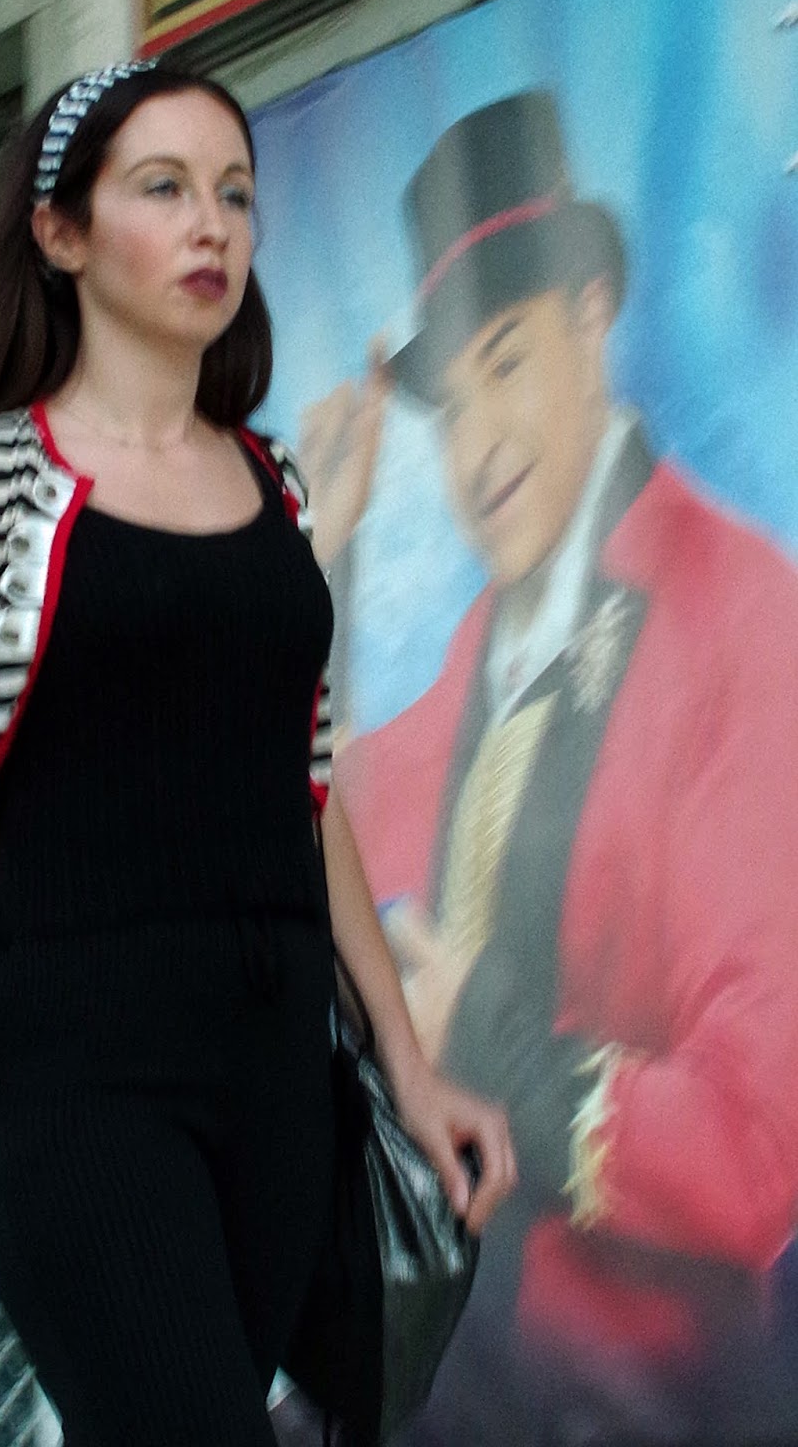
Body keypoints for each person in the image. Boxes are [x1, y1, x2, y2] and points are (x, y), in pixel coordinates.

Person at [0, 61, 515, 1447]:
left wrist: (407, 1068)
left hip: (276, 1075)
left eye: (235, 195)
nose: (212, 225)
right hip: (73, 1072)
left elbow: (304, 793)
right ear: (62, 232)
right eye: (164, 188)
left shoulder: (275, 486)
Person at [308, 90, 798, 1442]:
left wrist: (491, 1041)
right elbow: (314, 834)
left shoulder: (745, 619)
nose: (478, 455)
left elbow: (758, 1149)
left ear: (593, 319)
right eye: (451, 407)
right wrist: (323, 565)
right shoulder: (488, 645)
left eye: (508, 363)